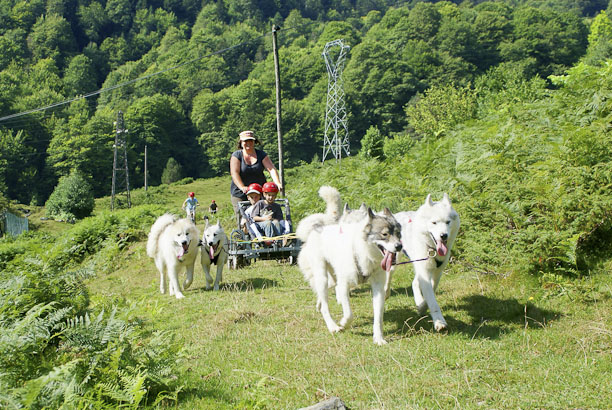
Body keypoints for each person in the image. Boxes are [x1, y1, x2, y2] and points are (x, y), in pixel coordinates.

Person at [230, 130, 282, 220]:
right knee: (243, 218)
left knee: (262, 214)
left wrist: (277, 183)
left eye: (250, 141)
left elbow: (271, 169)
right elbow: (234, 173)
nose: (248, 143)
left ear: (254, 141)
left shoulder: (261, 154)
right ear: (241, 143)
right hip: (241, 193)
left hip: (259, 191)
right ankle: (245, 232)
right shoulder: (237, 155)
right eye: (245, 141)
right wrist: (242, 187)